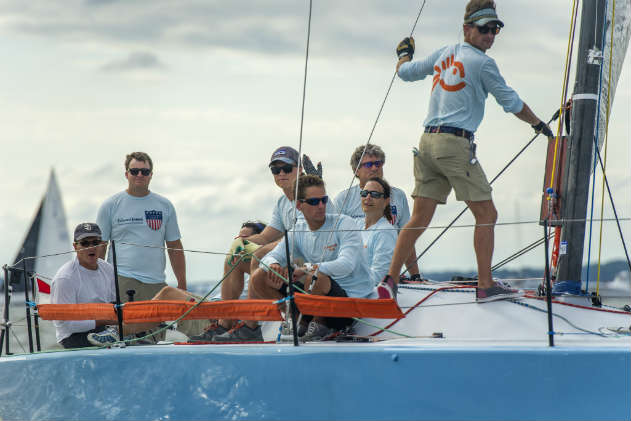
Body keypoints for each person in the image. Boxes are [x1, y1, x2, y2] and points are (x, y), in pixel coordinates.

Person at [379, 0, 554, 302]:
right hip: (453, 144)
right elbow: (510, 102)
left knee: (420, 217)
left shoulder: (444, 52)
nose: (491, 35)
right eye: (485, 28)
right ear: (467, 28)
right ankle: (485, 285)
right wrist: (539, 124)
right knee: (487, 213)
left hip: (426, 143)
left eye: (495, 29)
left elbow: (405, 73)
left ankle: (389, 281)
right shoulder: (484, 64)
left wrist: (404, 55)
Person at [213, 175, 373, 342]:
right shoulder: (298, 229)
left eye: (324, 200)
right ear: (299, 205)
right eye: (313, 202)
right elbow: (271, 256)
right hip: (315, 296)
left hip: (349, 304)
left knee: (315, 276)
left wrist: (306, 269)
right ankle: (293, 319)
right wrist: (273, 266)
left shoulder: (344, 224)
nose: (321, 206)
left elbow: (346, 265)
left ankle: (321, 325)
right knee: (259, 276)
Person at [96, 152, 186, 302]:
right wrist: (97, 282)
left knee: (162, 325)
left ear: (151, 175)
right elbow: (100, 247)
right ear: (126, 174)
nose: (139, 175)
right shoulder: (110, 205)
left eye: (144, 171)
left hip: (156, 282)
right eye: (134, 171)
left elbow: (174, 246)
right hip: (121, 279)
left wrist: (182, 284)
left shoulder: (165, 205)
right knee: (131, 325)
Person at [334, 144, 422, 281]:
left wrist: (415, 275)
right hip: (353, 272)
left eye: (378, 163)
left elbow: (406, 236)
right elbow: (333, 241)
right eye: (369, 164)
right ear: (356, 171)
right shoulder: (343, 199)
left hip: (388, 271)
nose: (375, 168)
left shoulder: (398, 196)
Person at [51, 223, 116, 348]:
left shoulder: (108, 269)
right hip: (73, 336)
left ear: (101, 245)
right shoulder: (65, 278)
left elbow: (114, 305)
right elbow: (64, 324)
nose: (91, 247)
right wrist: (103, 321)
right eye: (85, 243)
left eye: (95, 242)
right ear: (75, 247)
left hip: (107, 329)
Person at [357, 177, 398, 287]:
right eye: (364, 193)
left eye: (374, 194)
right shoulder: (355, 225)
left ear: (386, 201)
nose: (368, 197)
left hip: (364, 293)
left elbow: (379, 276)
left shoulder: (385, 232)